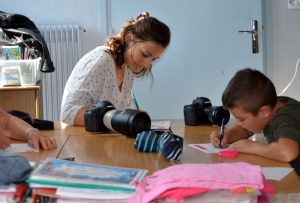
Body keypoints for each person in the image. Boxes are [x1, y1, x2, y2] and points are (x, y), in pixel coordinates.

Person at [60, 12, 171, 126]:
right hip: (78, 139)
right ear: (128, 38)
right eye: (145, 54)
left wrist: (129, 116)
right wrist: (117, 118)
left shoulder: (128, 69)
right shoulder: (101, 61)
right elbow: (68, 113)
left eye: (153, 59)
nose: (147, 65)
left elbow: (114, 114)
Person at [210, 68, 300, 175]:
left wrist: (252, 147)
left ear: (264, 112)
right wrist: (228, 135)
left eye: (241, 119)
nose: (238, 123)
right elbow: (248, 130)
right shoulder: (270, 104)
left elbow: (287, 152)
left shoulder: (285, 120)